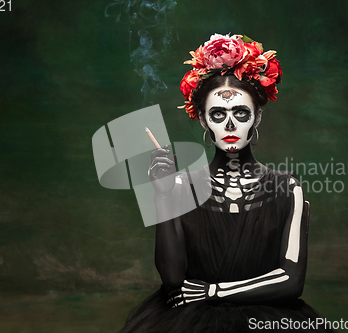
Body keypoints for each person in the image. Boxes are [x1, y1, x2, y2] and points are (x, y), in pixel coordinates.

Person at [118, 33, 335, 333]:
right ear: (205, 121)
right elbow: (171, 280)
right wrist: (162, 196)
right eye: (218, 114)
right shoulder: (180, 186)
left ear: (257, 117)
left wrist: (213, 292)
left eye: (241, 113)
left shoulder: (288, 188)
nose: (230, 125)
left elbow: (291, 282)